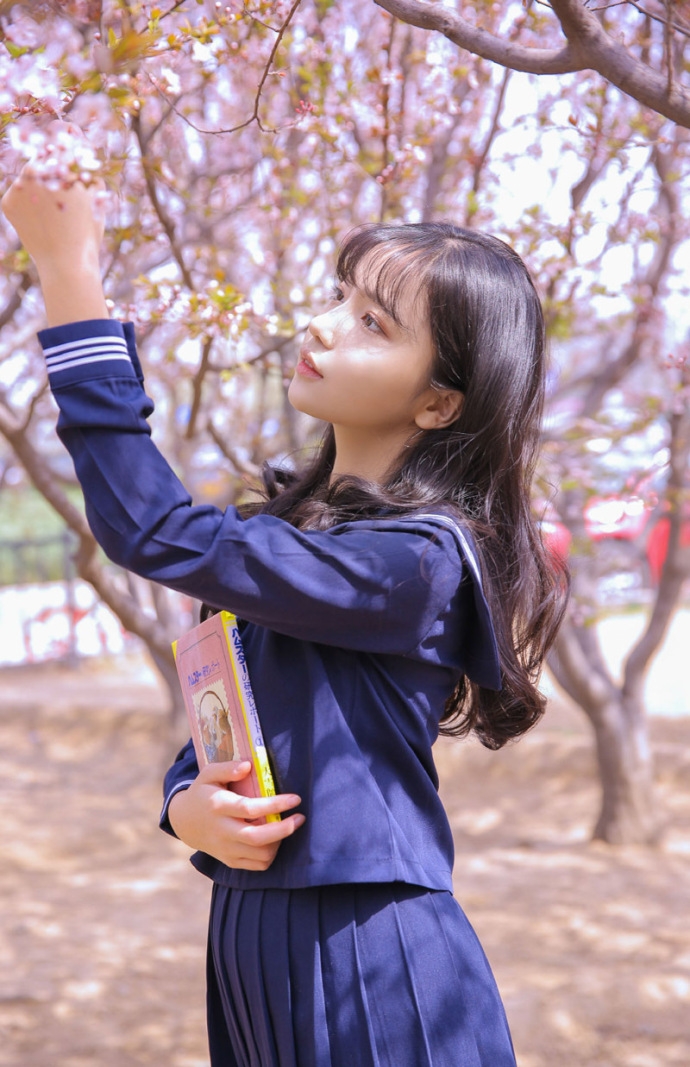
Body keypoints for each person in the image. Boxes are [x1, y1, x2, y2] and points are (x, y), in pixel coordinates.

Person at [2, 162, 568, 1067]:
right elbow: (228, 714)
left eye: (374, 322)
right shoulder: (292, 538)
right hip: (253, 942)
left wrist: (71, 279)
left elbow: (150, 528)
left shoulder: (415, 563)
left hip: (369, 951)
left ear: (438, 401)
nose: (324, 325)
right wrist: (185, 801)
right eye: (342, 297)